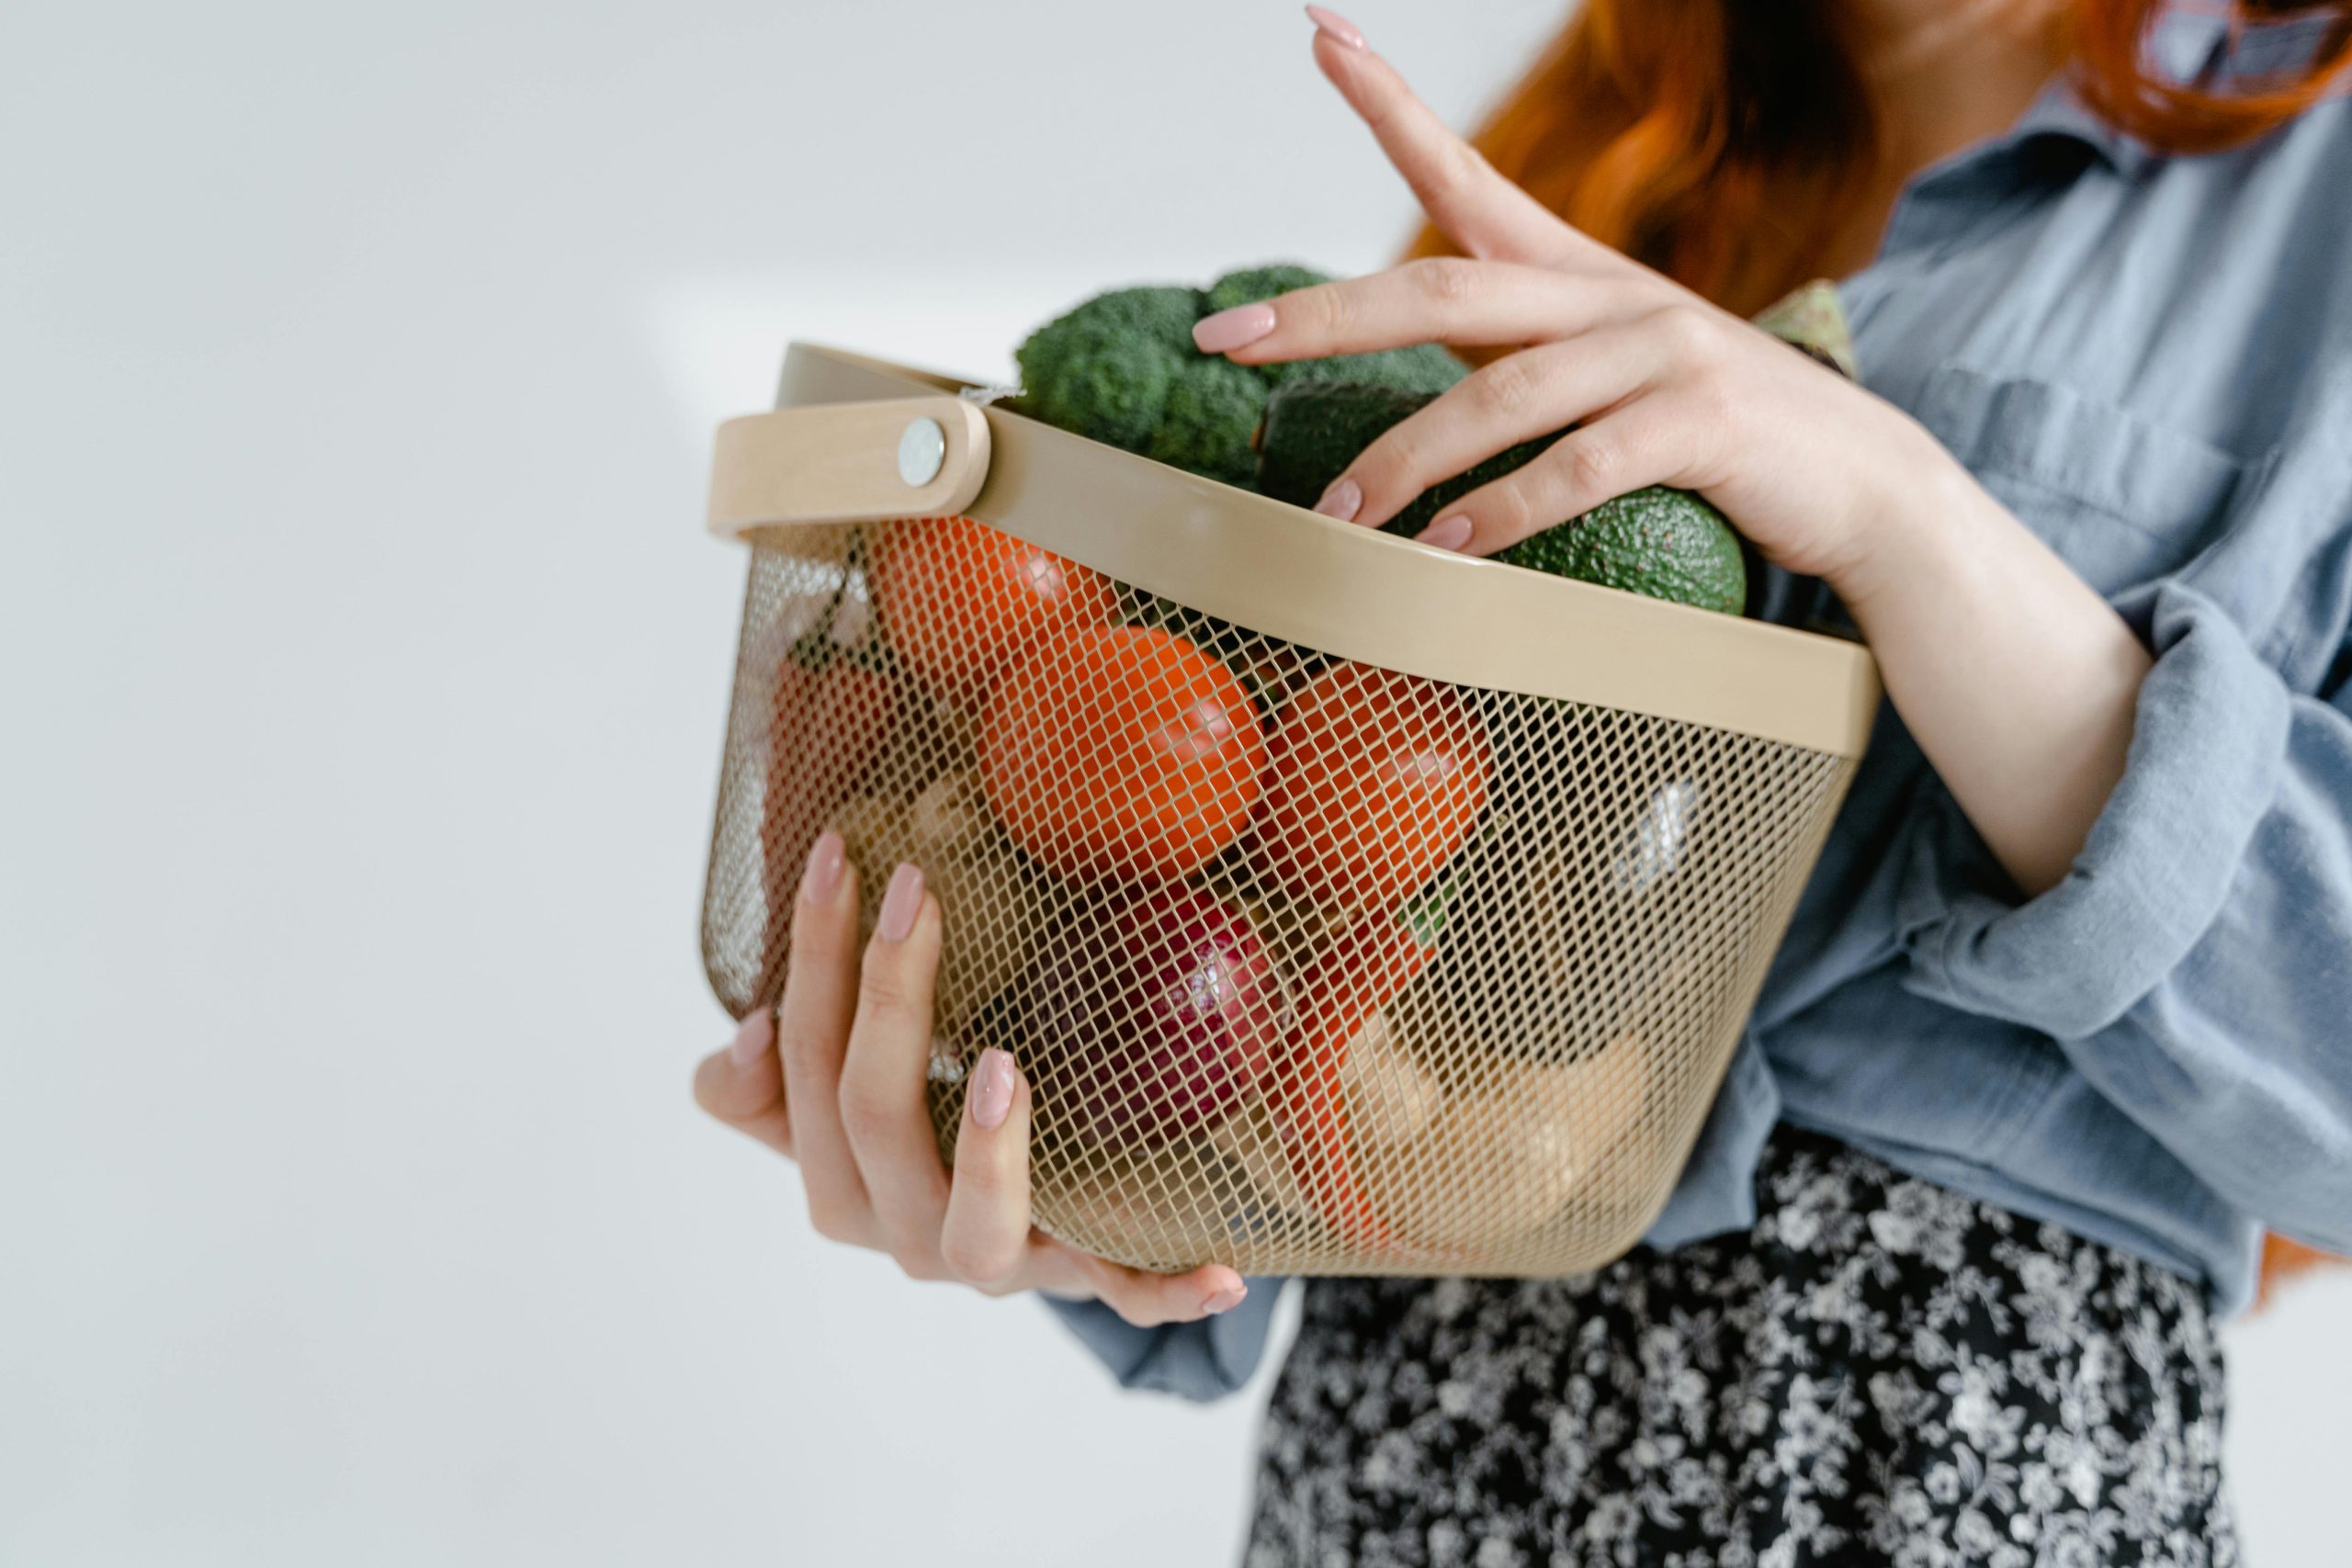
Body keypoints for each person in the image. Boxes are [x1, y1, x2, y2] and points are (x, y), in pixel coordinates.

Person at [695, 2, 2352, 1560]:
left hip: (1929, 1442)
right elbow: (1310, 891)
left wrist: (1893, 504)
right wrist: (1061, 1173)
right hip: (1405, 1433)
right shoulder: (1595, 169)